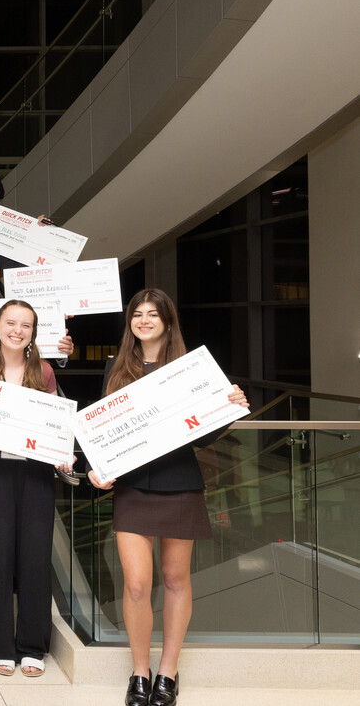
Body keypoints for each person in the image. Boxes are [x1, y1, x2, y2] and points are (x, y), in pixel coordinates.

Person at [86, 289, 249, 706]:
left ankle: (167, 672)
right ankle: (139, 672)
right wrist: (96, 466)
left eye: (152, 314)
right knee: (138, 584)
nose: (143, 320)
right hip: (133, 487)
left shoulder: (191, 369)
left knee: (176, 580)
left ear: (167, 321)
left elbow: (203, 434)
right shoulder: (115, 368)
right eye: (137, 314)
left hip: (180, 483)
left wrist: (229, 408)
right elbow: (103, 431)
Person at [0, 300, 74, 677]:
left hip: (35, 475)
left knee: (34, 561)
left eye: (26, 325)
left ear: (33, 332)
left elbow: (54, 423)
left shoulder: (42, 370)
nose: (17, 330)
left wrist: (62, 454)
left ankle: (31, 646)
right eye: (10, 322)